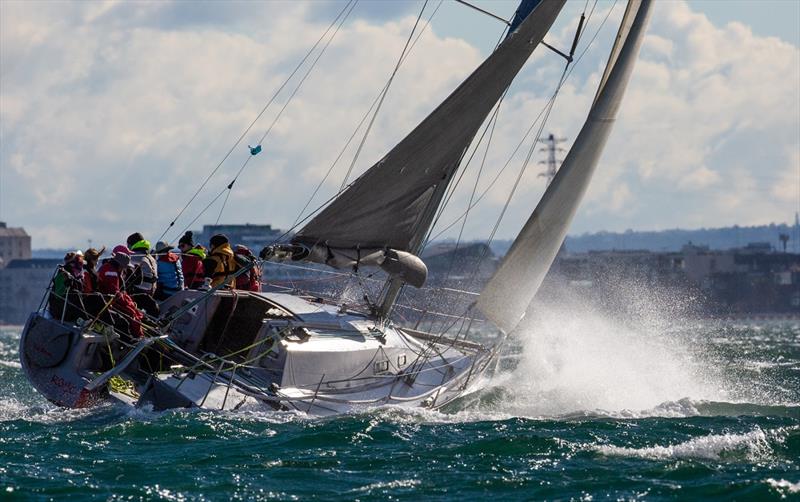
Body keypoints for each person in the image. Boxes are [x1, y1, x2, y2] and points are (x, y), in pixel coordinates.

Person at [97, 245, 143, 339]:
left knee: (133, 311)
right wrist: (127, 303)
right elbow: (115, 293)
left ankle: (138, 335)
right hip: (107, 302)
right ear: (120, 265)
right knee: (131, 315)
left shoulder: (108, 268)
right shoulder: (111, 273)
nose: (124, 269)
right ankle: (134, 338)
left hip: (109, 300)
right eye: (124, 267)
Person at [126, 233, 159, 317]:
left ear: (132, 244)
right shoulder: (151, 257)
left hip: (140, 292)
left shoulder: (134, 256)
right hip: (152, 291)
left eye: (128, 245)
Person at [49, 251, 86, 321]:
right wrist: (68, 281)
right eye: (77, 262)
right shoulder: (62, 274)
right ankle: (84, 319)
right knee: (75, 294)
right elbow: (58, 294)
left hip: (68, 307)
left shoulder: (78, 276)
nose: (80, 265)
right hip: (59, 309)